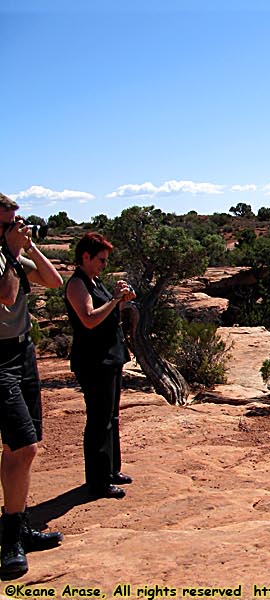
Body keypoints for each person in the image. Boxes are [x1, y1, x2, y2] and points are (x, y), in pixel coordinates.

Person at [0, 194, 58, 579]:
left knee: (18, 447)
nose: (17, 221)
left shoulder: (14, 256)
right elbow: (5, 296)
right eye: (9, 217)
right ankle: (10, 542)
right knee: (25, 446)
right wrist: (10, 251)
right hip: (0, 359)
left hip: (24, 353)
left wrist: (30, 247)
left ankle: (17, 526)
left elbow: (53, 281)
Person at [61, 232, 130, 500]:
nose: (104, 264)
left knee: (111, 417)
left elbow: (107, 315)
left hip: (111, 355)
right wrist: (113, 300)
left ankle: (111, 470)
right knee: (99, 421)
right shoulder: (78, 284)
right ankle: (99, 482)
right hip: (93, 360)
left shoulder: (94, 280)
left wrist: (121, 299)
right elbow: (89, 320)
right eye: (101, 259)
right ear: (86, 257)